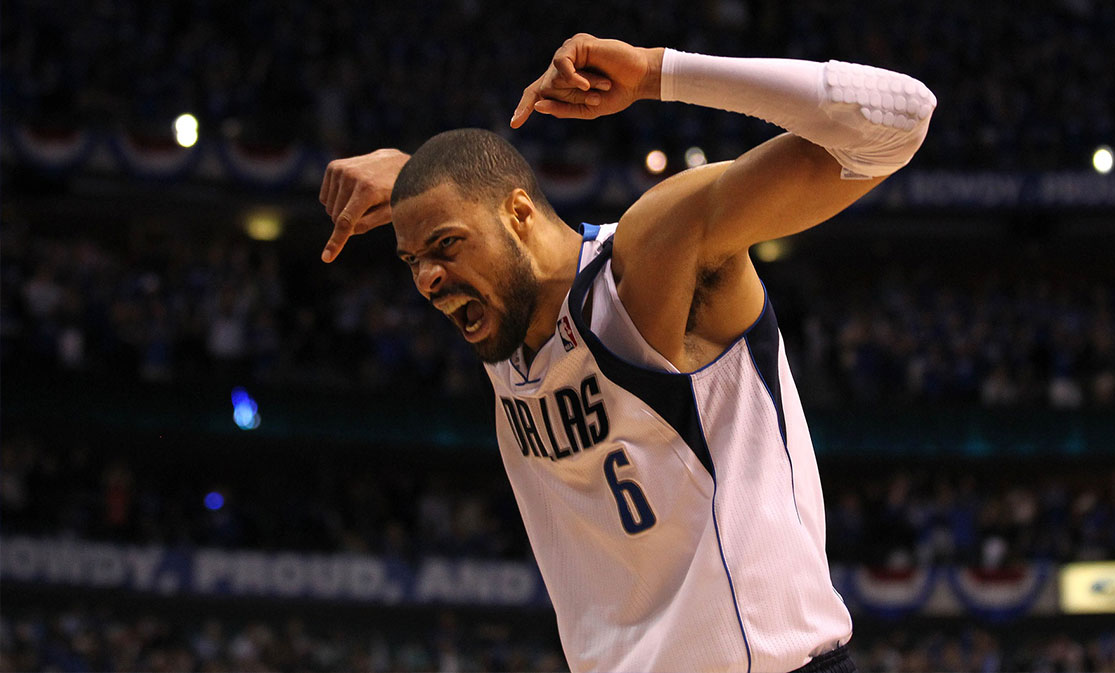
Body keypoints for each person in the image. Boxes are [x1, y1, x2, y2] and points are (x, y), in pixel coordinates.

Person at [318, 34, 934, 673]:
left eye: (444, 247)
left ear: (519, 215)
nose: (426, 280)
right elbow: (473, 190)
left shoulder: (650, 260)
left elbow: (901, 119)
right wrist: (419, 173)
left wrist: (663, 74)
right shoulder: (499, 310)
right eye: (414, 260)